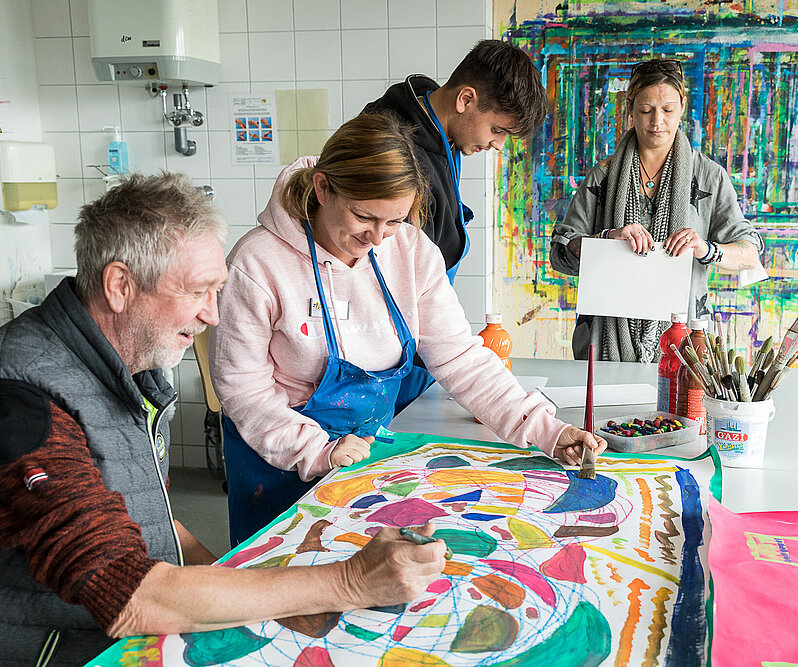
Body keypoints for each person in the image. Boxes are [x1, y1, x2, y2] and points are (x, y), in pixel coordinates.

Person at [0, 174, 446, 667]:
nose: (213, 316)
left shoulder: (119, 365)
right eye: (199, 291)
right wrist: (350, 581)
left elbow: (144, 514)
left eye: (217, 290)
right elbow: (130, 595)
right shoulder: (18, 397)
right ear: (120, 285)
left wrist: (235, 575)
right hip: (51, 651)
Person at [209, 113, 605, 547]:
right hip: (277, 458)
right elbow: (243, 390)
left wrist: (548, 430)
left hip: (368, 456)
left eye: (394, 220)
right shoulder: (257, 263)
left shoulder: (411, 252)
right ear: (323, 188)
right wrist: (317, 451)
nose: (378, 237)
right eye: (364, 216)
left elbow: (462, 359)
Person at [363, 38, 547, 413]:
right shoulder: (392, 144)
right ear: (466, 99)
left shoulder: (441, 128)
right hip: (382, 351)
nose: (497, 145)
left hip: (419, 338)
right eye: (497, 130)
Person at [550, 58, 763, 362]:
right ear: (630, 109)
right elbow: (560, 250)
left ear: (683, 107)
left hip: (686, 343)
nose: (656, 122)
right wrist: (607, 238)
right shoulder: (604, 176)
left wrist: (705, 249)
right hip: (603, 345)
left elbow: (751, 252)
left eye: (667, 110)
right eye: (646, 110)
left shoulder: (710, 176)